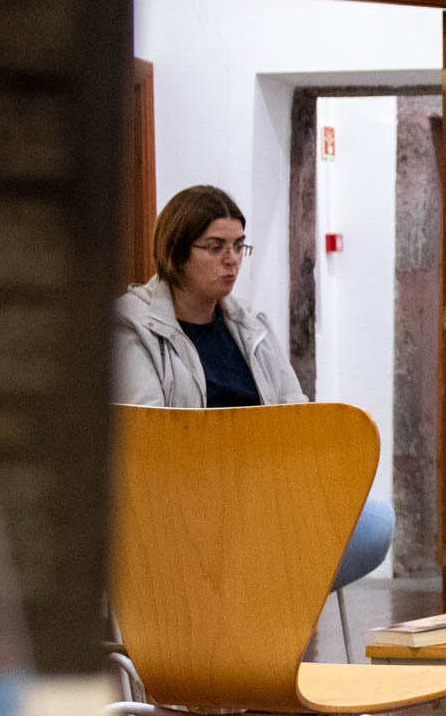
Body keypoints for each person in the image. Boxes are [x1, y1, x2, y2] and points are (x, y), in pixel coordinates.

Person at [114, 184, 392, 591]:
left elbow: (296, 413)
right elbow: (151, 439)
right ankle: (256, 603)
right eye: (215, 247)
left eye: (239, 246)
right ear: (176, 252)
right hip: (188, 503)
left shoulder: (249, 325)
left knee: (375, 523)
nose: (231, 260)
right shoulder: (133, 326)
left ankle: (262, 604)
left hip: (263, 490)